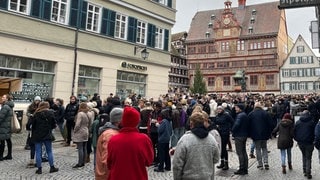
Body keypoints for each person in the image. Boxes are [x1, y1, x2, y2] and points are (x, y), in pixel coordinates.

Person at [107, 106, 154, 180]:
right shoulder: (144, 139)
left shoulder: (113, 140)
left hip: (117, 176)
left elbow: (109, 164)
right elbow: (149, 161)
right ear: (137, 121)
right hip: (137, 176)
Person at [172, 111, 220, 180]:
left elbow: (177, 164)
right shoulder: (212, 139)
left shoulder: (184, 139)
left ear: (191, 124)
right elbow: (216, 159)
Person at [29, 101, 58, 174]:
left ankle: (39, 169)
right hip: (47, 134)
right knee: (49, 151)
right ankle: (52, 167)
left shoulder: (36, 114)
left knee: (38, 151)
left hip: (37, 135)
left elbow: (33, 125)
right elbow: (54, 125)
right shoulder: (51, 113)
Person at [95, 108, 123, 180]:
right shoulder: (111, 135)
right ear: (119, 121)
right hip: (107, 175)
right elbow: (107, 160)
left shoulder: (111, 132)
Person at [248, 102, 273, 170]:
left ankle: (260, 164)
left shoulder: (251, 114)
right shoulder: (265, 113)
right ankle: (266, 162)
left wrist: (250, 134)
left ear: (255, 106)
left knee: (258, 149)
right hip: (264, 134)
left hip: (255, 135)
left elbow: (248, 125)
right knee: (264, 148)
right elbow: (270, 124)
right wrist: (269, 133)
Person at [294, 110, 317, 179]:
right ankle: (308, 171)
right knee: (308, 157)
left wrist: (297, 139)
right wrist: (314, 140)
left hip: (301, 142)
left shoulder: (298, 122)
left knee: (304, 155)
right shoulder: (312, 122)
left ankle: (304, 170)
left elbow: (294, 132)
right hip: (309, 142)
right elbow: (315, 133)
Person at [232, 103, 249, 175]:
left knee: (240, 152)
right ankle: (245, 168)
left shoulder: (240, 115)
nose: (235, 109)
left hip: (239, 136)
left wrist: (232, 130)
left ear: (240, 108)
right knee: (244, 152)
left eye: (236, 107)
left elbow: (236, 125)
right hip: (244, 135)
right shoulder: (244, 114)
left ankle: (242, 168)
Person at [214, 105, 234, 170]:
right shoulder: (217, 116)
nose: (219, 110)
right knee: (221, 148)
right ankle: (222, 162)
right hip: (219, 133)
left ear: (222, 110)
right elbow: (215, 122)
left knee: (224, 148)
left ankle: (226, 164)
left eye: (220, 109)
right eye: (218, 109)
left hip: (225, 133)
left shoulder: (226, 115)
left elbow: (232, 121)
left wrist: (229, 129)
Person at [72, 102, 91, 168]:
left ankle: (80, 163)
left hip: (80, 131)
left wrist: (74, 130)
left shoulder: (80, 114)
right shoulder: (88, 113)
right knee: (84, 147)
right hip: (86, 130)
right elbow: (90, 123)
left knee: (80, 147)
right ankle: (83, 161)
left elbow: (77, 124)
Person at [0, 94, 14, 161]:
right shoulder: (10, 106)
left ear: (7, 99)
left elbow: (1, 117)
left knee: (2, 140)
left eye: (3, 97)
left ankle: (1, 156)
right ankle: (9, 154)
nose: (2, 98)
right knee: (8, 140)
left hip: (3, 126)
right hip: (7, 125)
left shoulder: (5, 106)